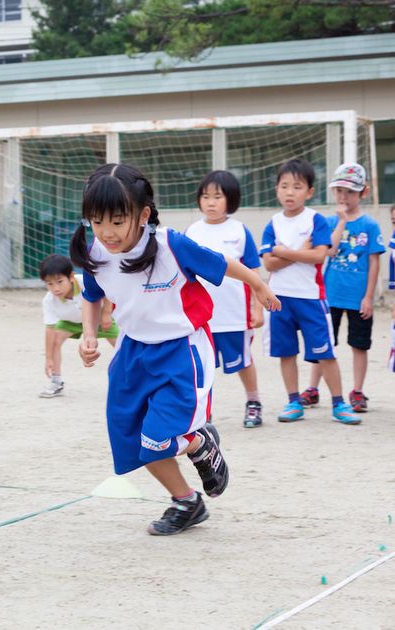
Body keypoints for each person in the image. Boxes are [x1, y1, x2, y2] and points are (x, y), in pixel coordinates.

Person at [70, 163, 280, 536]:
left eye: (118, 221)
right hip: (133, 353)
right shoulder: (97, 252)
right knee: (136, 441)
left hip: (181, 352)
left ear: (143, 214)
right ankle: (186, 501)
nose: (107, 232)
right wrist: (89, 334)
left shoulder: (170, 245)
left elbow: (223, 264)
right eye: (97, 222)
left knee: (157, 437)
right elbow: (91, 295)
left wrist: (258, 285)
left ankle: (200, 441)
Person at [259, 158, 360, 425]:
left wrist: (283, 251)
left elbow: (318, 256)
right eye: (284, 186)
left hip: (311, 299)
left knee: (325, 353)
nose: (289, 192)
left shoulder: (315, 220)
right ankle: (293, 401)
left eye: (297, 186)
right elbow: (268, 263)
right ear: (277, 190)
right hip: (279, 299)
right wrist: (298, 251)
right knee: (286, 353)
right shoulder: (272, 223)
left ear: (310, 191)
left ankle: (339, 404)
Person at [300, 163, 385, 412]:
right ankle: (313, 388)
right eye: (339, 190)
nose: (343, 196)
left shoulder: (370, 225)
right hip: (330, 294)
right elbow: (330, 251)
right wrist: (340, 222)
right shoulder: (328, 221)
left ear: (363, 193)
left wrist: (369, 297)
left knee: (359, 344)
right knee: (323, 343)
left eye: (349, 191)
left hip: (358, 297)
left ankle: (357, 391)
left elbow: (373, 262)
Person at [185, 171, 266, 428]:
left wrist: (257, 309)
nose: (210, 202)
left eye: (217, 197)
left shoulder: (240, 231)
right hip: (201, 317)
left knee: (243, 361)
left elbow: (253, 272)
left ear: (230, 200)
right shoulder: (191, 232)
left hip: (234, 315)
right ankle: (203, 414)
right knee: (201, 367)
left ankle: (253, 403)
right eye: (205, 196)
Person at [38, 253, 118, 398]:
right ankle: (56, 380)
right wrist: (48, 358)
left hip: (98, 319)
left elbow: (106, 291)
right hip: (70, 322)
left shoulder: (84, 282)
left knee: (122, 345)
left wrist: (106, 313)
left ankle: (137, 379)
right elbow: (49, 329)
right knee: (55, 339)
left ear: (71, 276)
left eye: (59, 281)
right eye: (50, 284)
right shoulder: (49, 301)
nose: (56, 288)